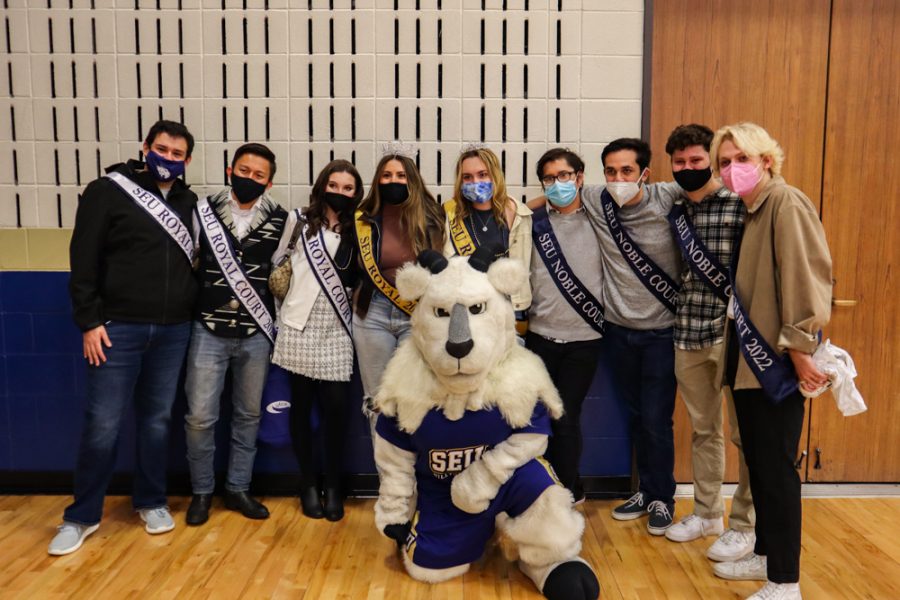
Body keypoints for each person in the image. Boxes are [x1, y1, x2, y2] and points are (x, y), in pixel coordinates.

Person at [50, 120, 198, 555]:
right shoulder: (107, 190)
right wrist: (90, 321)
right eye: (162, 149)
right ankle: (81, 516)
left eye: (177, 154)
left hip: (174, 330)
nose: (168, 159)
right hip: (117, 329)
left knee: (157, 422)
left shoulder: (190, 202)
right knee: (103, 424)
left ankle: (150, 501)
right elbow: (83, 261)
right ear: (145, 147)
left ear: (187, 161)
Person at [709, 122, 831, 600]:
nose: (731, 169)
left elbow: (808, 280)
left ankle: (785, 581)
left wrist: (801, 348)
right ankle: (764, 553)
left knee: (777, 470)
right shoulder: (753, 209)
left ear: (766, 160)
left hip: (776, 363)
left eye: (741, 158)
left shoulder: (786, 202)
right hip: (748, 362)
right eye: (724, 161)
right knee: (759, 465)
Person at [662, 124, 756, 563]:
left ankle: (745, 525)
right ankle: (706, 513)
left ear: (711, 161)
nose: (687, 169)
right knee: (704, 430)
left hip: (734, 335)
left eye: (696, 161)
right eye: (679, 163)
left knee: (745, 435)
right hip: (688, 331)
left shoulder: (742, 203)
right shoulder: (676, 206)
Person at [579, 139, 683, 535]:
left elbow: (707, 184)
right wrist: (516, 208)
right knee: (637, 417)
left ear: (645, 173)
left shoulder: (668, 197)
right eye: (610, 171)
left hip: (661, 334)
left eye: (626, 171)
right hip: (618, 332)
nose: (618, 179)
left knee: (657, 420)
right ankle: (644, 491)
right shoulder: (597, 199)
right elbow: (560, 192)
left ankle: (662, 497)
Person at [183, 143, 287, 526]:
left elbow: (279, 274)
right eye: (244, 171)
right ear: (231, 170)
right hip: (207, 329)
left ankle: (238, 487)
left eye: (259, 175)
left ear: (269, 182)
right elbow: (191, 261)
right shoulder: (202, 210)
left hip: (256, 334)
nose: (250, 178)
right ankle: (201, 492)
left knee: (248, 415)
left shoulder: (283, 219)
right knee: (199, 417)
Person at [271, 159, 361, 521]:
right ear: (323, 185)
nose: (339, 192)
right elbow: (279, 262)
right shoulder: (299, 220)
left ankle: (334, 485)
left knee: (337, 411)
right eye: (334, 185)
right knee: (302, 410)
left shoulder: (360, 228)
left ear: (356, 194)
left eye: (348, 188)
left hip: (339, 327)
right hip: (299, 326)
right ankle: (308, 483)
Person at [524, 148, 604, 504]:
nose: (558, 184)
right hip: (540, 336)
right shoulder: (532, 222)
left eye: (565, 176)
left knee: (566, 417)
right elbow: (513, 210)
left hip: (584, 339)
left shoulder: (600, 218)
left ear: (580, 178)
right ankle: (543, 488)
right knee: (537, 418)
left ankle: (569, 492)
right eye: (550, 178)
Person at [352, 142, 445, 428]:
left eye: (401, 176)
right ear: (378, 181)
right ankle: (387, 473)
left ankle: (411, 471)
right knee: (378, 398)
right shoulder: (363, 219)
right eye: (387, 175)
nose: (394, 181)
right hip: (372, 315)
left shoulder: (433, 218)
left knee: (414, 396)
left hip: (415, 314)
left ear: (412, 180)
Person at [442, 145, 532, 332]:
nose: (475, 181)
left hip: (508, 313)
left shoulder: (517, 214)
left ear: (495, 175)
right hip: (465, 313)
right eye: (467, 177)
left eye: (483, 174)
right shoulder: (448, 215)